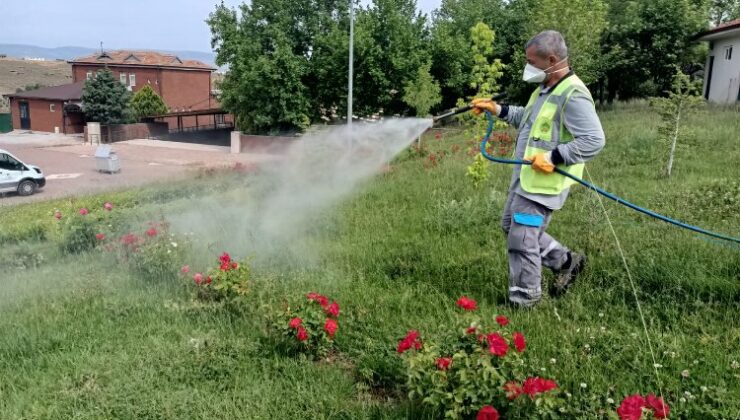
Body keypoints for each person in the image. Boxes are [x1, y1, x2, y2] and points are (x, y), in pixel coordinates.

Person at [471, 30, 605, 307]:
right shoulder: (544, 89)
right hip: (526, 178)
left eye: (532, 61)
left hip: (544, 183)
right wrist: (497, 109)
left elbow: (594, 140)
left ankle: (524, 300)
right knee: (511, 226)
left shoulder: (573, 93)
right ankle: (567, 262)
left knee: (521, 239)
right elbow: (527, 120)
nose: (528, 67)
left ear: (552, 60)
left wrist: (555, 157)